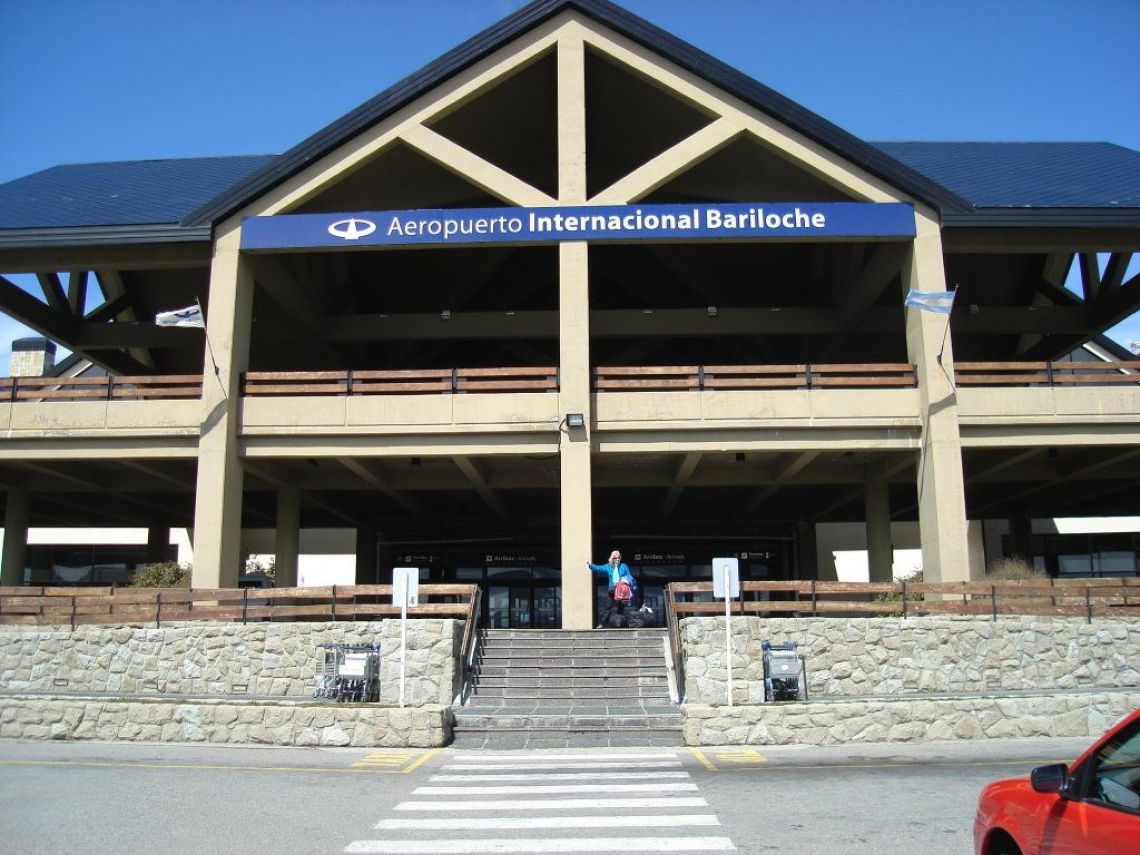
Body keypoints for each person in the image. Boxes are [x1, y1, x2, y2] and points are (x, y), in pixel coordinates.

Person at [587, 550, 636, 628]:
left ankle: (620, 623)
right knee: (608, 608)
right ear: (612, 559)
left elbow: (629, 576)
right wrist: (590, 565)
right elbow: (599, 568)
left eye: (619, 558)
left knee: (621, 608)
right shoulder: (608, 566)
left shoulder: (623, 566)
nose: (617, 559)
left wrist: (627, 582)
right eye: (615, 558)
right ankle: (602, 623)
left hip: (621, 590)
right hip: (612, 590)